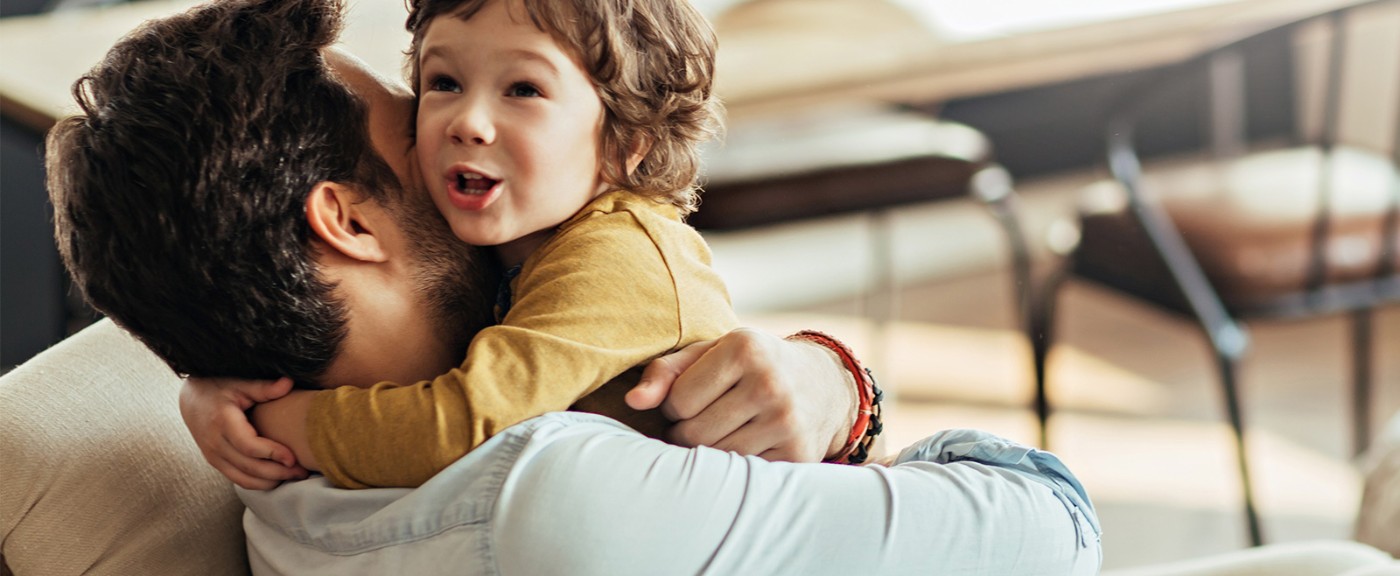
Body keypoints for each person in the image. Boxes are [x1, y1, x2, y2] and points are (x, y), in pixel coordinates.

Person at [45, 0, 1102, 572]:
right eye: (429, 92)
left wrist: (232, 396)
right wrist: (847, 396)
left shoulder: (271, 488)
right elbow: (1055, 528)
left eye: (519, 90)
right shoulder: (542, 494)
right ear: (346, 221)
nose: (452, 128)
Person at [216, 0, 802, 490]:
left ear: (627, 144)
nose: (467, 121)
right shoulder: (511, 235)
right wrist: (210, 387)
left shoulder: (621, 256)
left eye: (523, 89)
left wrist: (273, 419)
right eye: (444, 82)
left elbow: (463, 425)